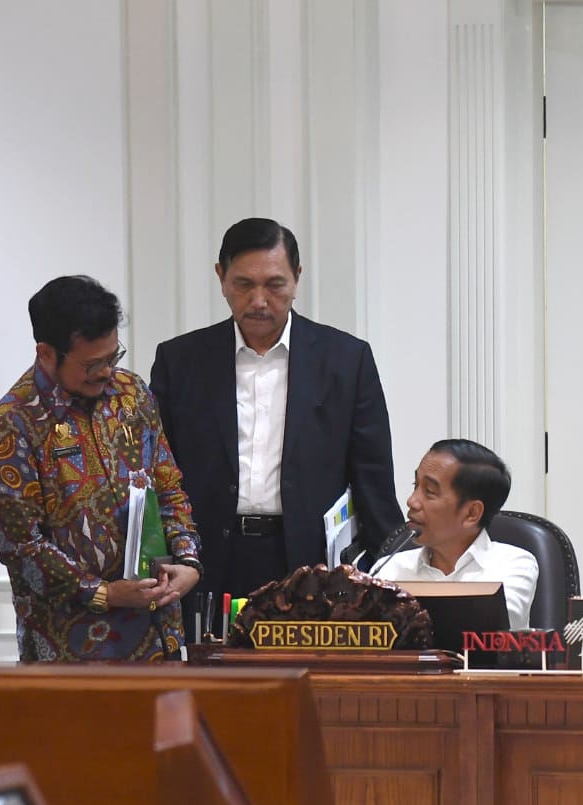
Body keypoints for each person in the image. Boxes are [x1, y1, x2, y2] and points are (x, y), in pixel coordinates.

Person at [149, 217, 403, 606]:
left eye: (275, 285)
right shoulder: (180, 361)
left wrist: (393, 577)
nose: (259, 301)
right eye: (244, 285)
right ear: (221, 277)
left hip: (309, 563)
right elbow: (158, 473)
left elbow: (373, 480)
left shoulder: (346, 361)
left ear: (297, 278)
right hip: (208, 558)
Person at [0, 275, 202, 662]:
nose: (105, 371)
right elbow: (22, 547)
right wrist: (104, 593)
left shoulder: (131, 394)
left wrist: (187, 561)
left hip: (156, 635)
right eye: (92, 363)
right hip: (69, 647)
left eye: (112, 357)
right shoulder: (14, 424)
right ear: (47, 353)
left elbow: (168, 487)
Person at [374, 439, 538, 629]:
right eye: (415, 485)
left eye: (429, 491)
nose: (412, 501)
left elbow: (492, 630)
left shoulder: (513, 565)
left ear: (471, 513)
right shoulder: (390, 570)